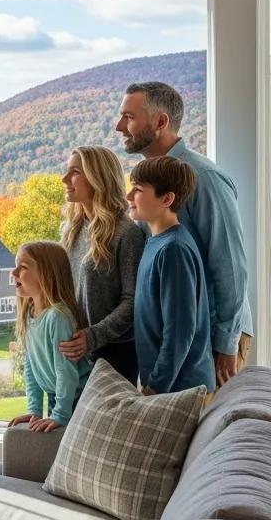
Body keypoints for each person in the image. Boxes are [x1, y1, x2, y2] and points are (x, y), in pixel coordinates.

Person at [116, 81, 251, 386]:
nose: (119, 126)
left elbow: (230, 266)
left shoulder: (205, 179)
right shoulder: (146, 191)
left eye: (129, 117)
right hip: (173, 344)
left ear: (160, 122)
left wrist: (225, 344)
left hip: (210, 340)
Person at [128, 156, 215, 395]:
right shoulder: (156, 242)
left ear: (166, 199)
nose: (128, 196)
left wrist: (155, 386)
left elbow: (180, 331)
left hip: (181, 390)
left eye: (138, 190)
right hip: (168, 387)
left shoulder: (173, 249)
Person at [57, 146, 145, 384]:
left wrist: (93, 336)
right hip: (74, 350)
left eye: (75, 172)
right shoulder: (72, 231)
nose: (65, 179)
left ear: (99, 178)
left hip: (114, 355)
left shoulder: (127, 233)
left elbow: (133, 302)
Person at [8, 242, 92, 433]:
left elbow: (66, 372)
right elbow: (31, 367)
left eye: (23, 267)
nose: (13, 272)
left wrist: (60, 414)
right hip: (58, 396)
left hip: (78, 397)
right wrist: (34, 410)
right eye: (15, 265)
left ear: (46, 275)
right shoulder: (29, 314)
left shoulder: (57, 318)